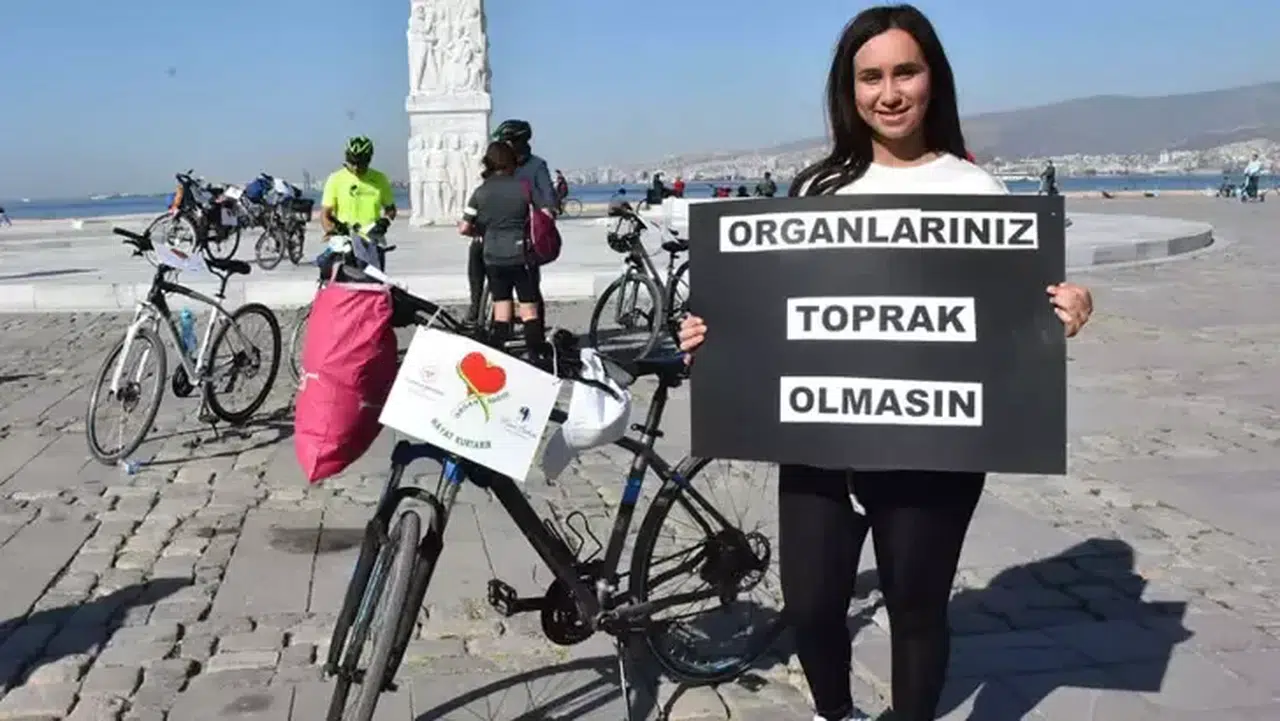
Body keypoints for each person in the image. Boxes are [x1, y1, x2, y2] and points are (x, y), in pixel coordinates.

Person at [677, 6, 1094, 721]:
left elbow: (1012, 318)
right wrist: (712, 334)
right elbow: (773, 308)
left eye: (906, 72)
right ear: (850, 90)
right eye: (871, 77)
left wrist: (1067, 308)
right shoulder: (816, 191)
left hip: (933, 446)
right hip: (819, 442)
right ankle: (835, 712)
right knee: (811, 604)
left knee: (916, 607)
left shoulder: (975, 191)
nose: (890, 93)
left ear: (934, 79)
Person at [459, 141, 545, 352]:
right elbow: (545, 213)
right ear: (512, 162)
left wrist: (479, 232)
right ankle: (536, 356)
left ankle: (498, 353)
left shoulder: (480, 192)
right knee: (529, 310)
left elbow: (464, 227)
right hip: (521, 255)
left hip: (493, 256)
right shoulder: (524, 188)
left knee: (501, 308)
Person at [467, 119, 553, 325]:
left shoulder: (536, 166)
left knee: (530, 285)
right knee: (475, 254)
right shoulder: (498, 165)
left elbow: (548, 201)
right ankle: (476, 305)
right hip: (494, 230)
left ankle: (536, 326)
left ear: (518, 142)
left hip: (522, 233)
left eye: (506, 142)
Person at [320, 136, 396, 238]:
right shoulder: (335, 179)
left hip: (372, 237)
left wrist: (385, 222)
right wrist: (331, 231)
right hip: (345, 237)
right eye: (352, 163)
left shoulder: (380, 179)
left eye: (360, 164)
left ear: (368, 160)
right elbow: (325, 214)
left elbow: (391, 209)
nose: (356, 168)